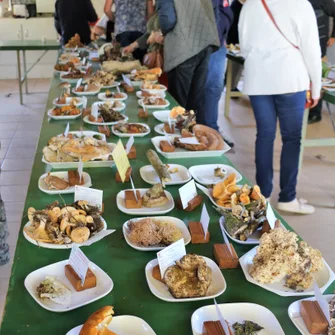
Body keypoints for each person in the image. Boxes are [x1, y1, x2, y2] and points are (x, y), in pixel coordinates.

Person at [239, 0, 321, 214]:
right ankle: (287, 198)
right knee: (292, 138)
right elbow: (311, 48)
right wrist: (317, 86)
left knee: (264, 136)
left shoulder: (250, 5)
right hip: (290, 79)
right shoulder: (300, 4)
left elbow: (244, 46)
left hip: (258, 80)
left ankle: (261, 196)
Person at [156, 0, 220, 122]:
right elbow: (215, 13)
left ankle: (179, 138)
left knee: (178, 105)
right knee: (195, 101)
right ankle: (192, 137)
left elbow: (168, 20)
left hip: (182, 48)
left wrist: (160, 33)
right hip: (204, 44)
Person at [202, 0, 234, 146]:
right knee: (210, 87)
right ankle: (207, 130)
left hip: (218, 44)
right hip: (207, 43)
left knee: (214, 88)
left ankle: (211, 130)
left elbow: (224, 11)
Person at [308, 0, 335, 124]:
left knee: (315, 77)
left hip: (317, 46)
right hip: (297, 45)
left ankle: (315, 112)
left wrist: (334, 35)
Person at [226, 0, 246, 94]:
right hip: (235, 38)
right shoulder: (236, 6)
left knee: (237, 64)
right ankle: (231, 85)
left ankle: (231, 85)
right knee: (235, 63)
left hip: (240, 39)